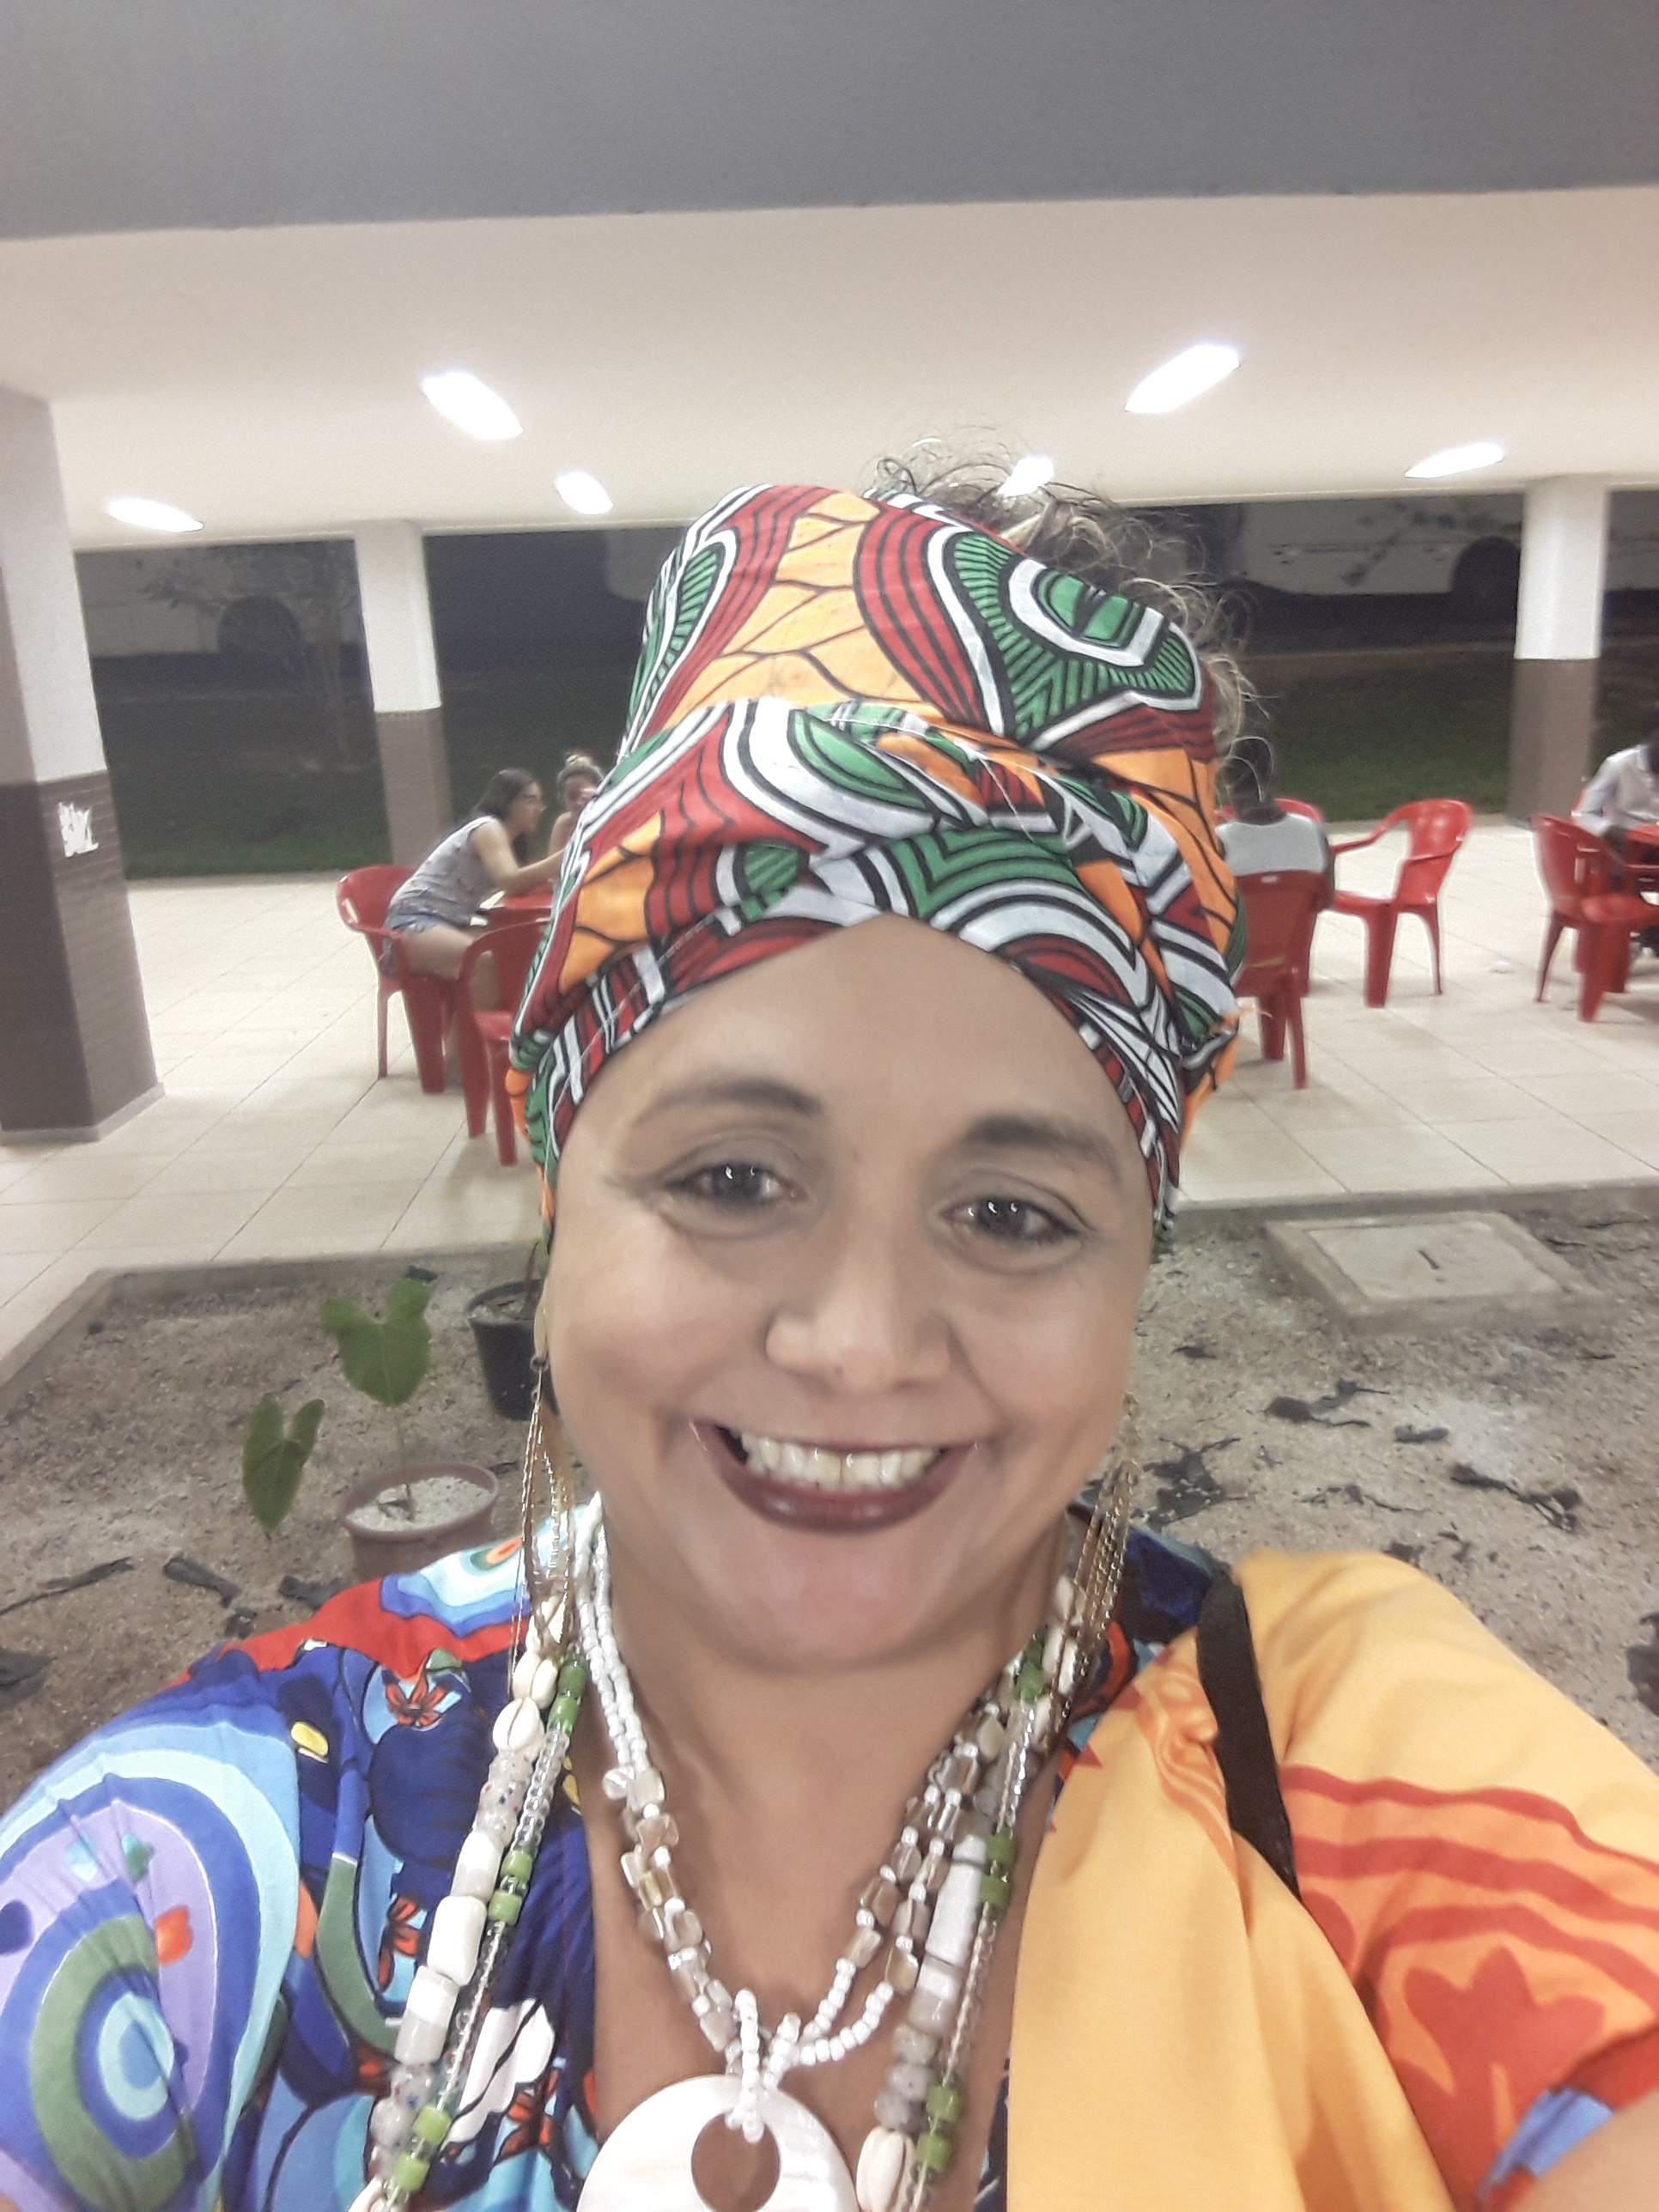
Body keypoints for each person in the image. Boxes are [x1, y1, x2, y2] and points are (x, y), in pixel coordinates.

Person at [3, 473, 1657, 2212]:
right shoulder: (193, 1874)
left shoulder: (1339, 1769)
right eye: (730, 1177)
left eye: (1011, 1211)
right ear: (559, 1184)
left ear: (1138, 1250)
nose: (859, 1348)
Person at [384, 768, 562, 984]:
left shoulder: (512, 842)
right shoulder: (488, 829)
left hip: (450, 923)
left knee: (518, 948)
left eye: (540, 802)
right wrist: (567, 852)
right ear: (507, 801)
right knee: (481, 958)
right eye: (530, 800)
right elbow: (511, 881)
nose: (538, 809)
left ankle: (518, 1005)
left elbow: (529, 881)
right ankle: (483, 1009)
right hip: (411, 922)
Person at [1218, 730, 1334, 893]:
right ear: (1274, 778)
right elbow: (1327, 898)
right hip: (1298, 910)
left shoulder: (1218, 841)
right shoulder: (1316, 834)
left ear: (1229, 786)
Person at [1575, 721, 1659, 859]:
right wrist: (1607, 830)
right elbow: (1584, 813)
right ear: (1652, 736)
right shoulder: (1619, 765)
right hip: (1619, 846)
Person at [546, 752, 605, 861]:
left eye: (585, 797)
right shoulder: (564, 824)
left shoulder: (608, 815)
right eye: (572, 797)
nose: (578, 803)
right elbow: (552, 868)